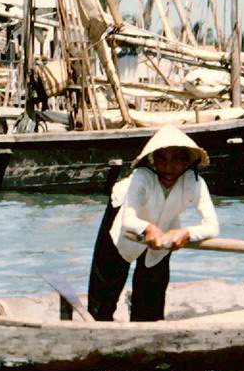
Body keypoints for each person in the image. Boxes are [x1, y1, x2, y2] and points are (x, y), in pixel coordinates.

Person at [87, 126, 219, 323]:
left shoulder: (195, 182)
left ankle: (145, 328)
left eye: (177, 160)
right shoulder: (141, 178)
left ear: (187, 162)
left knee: (152, 295)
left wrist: (187, 233)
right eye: (162, 160)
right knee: (106, 285)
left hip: (166, 226)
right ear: (153, 160)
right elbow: (129, 220)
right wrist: (148, 229)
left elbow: (212, 226)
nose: (168, 168)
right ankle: (98, 324)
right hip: (123, 218)